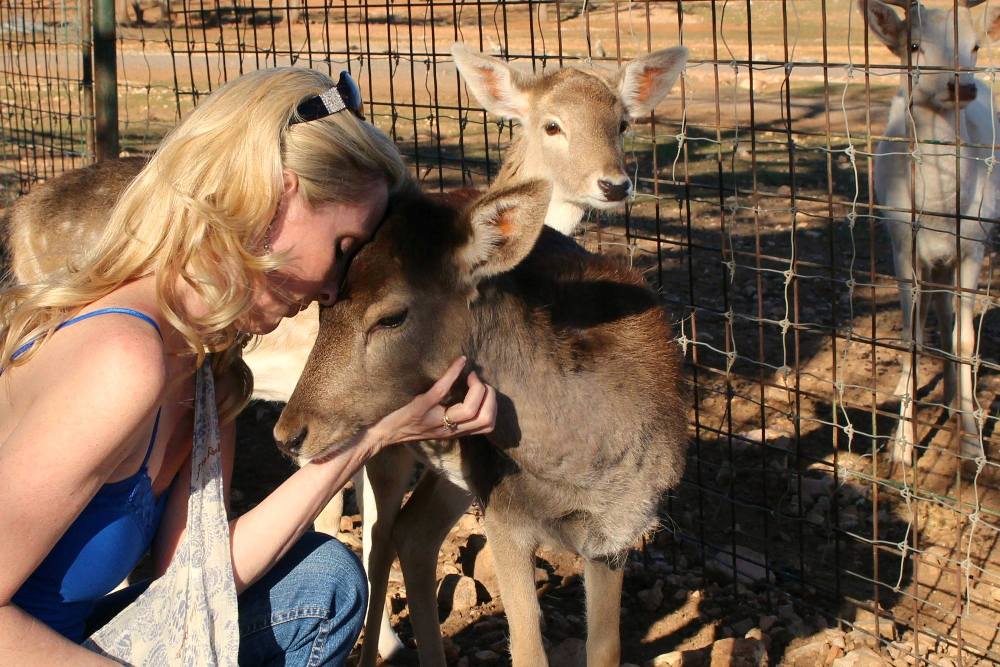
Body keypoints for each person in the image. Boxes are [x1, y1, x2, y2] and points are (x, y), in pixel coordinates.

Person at [0, 67, 497, 665]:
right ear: (274, 196)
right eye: (343, 249)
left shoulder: (208, 366)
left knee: (324, 585)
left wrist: (375, 436)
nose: (335, 290)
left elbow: (195, 582)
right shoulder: (122, 359)